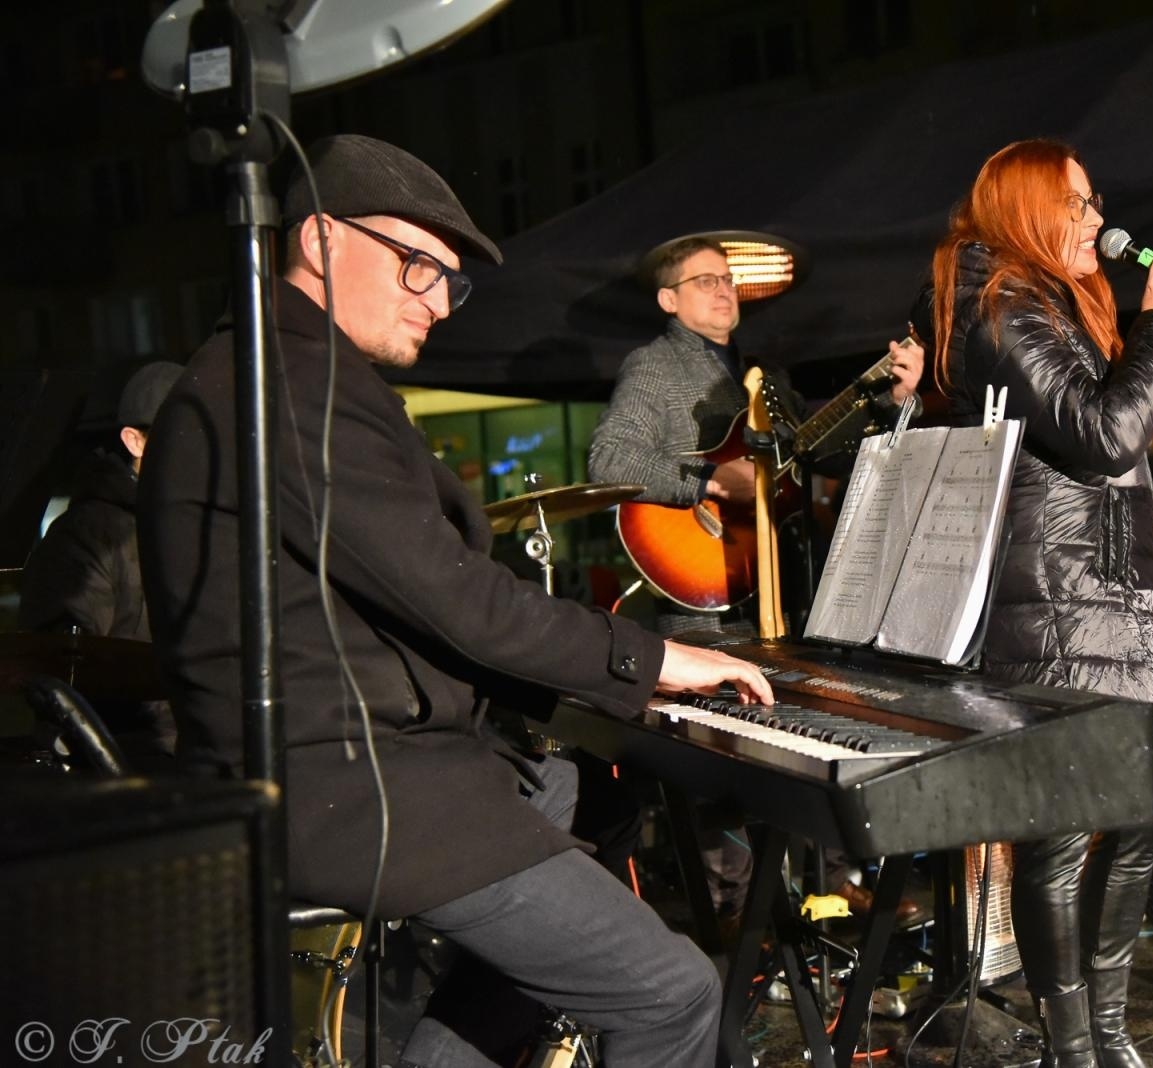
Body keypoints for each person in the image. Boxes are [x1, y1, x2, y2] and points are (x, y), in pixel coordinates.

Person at [138, 134, 775, 1068]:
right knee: (670, 991)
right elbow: (457, 600)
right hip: (355, 787)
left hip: (358, 764)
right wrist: (652, 660)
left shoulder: (279, 372)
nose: (438, 302)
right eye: (417, 268)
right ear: (319, 239)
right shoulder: (293, 387)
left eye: (449, 282)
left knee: (575, 796)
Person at [928, 138, 1153, 1067]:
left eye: (1096, 201)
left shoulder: (1050, 305)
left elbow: (1098, 448)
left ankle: (1110, 1028)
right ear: (1029, 209)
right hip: (1051, 595)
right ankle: (1075, 1045)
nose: (1099, 219)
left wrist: (1150, 495)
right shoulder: (1003, 309)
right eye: (1079, 203)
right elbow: (1098, 432)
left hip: (1110, 581)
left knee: (1141, 812)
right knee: (1067, 825)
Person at [587, 235, 926, 925]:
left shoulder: (760, 378)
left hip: (770, 586)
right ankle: (737, 914)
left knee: (797, 739)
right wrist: (708, 479)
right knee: (725, 763)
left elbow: (820, 451)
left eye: (728, 279)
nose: (723, 289)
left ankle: (825, 888)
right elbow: (610, 458)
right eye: (705, 280)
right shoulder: (654, 368)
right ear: (668, 300)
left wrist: (887, 399)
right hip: (702, 588)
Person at [21, 360, 185, 770]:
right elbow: (64, 668)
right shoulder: (87, 535)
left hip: (204, 747)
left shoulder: (208, 522)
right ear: (135, 441)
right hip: (133, 762)